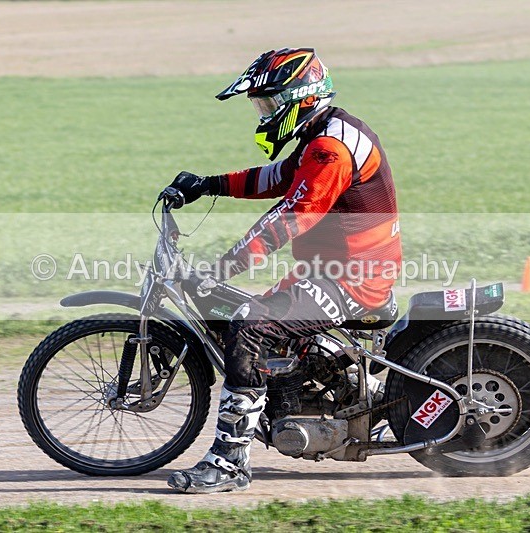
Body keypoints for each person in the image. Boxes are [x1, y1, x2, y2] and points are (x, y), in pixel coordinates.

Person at [165, 48, 402, 493]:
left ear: (300, 98)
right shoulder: (324, 134)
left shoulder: (331, 150)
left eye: (269, 103)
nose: (264, 114)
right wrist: (209, 184)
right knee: (262, 319)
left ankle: (230, 464)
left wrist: (225, 267)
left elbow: (292, 216)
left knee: (250, 327)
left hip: (351, 277)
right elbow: (277, 178)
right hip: (332, 269)